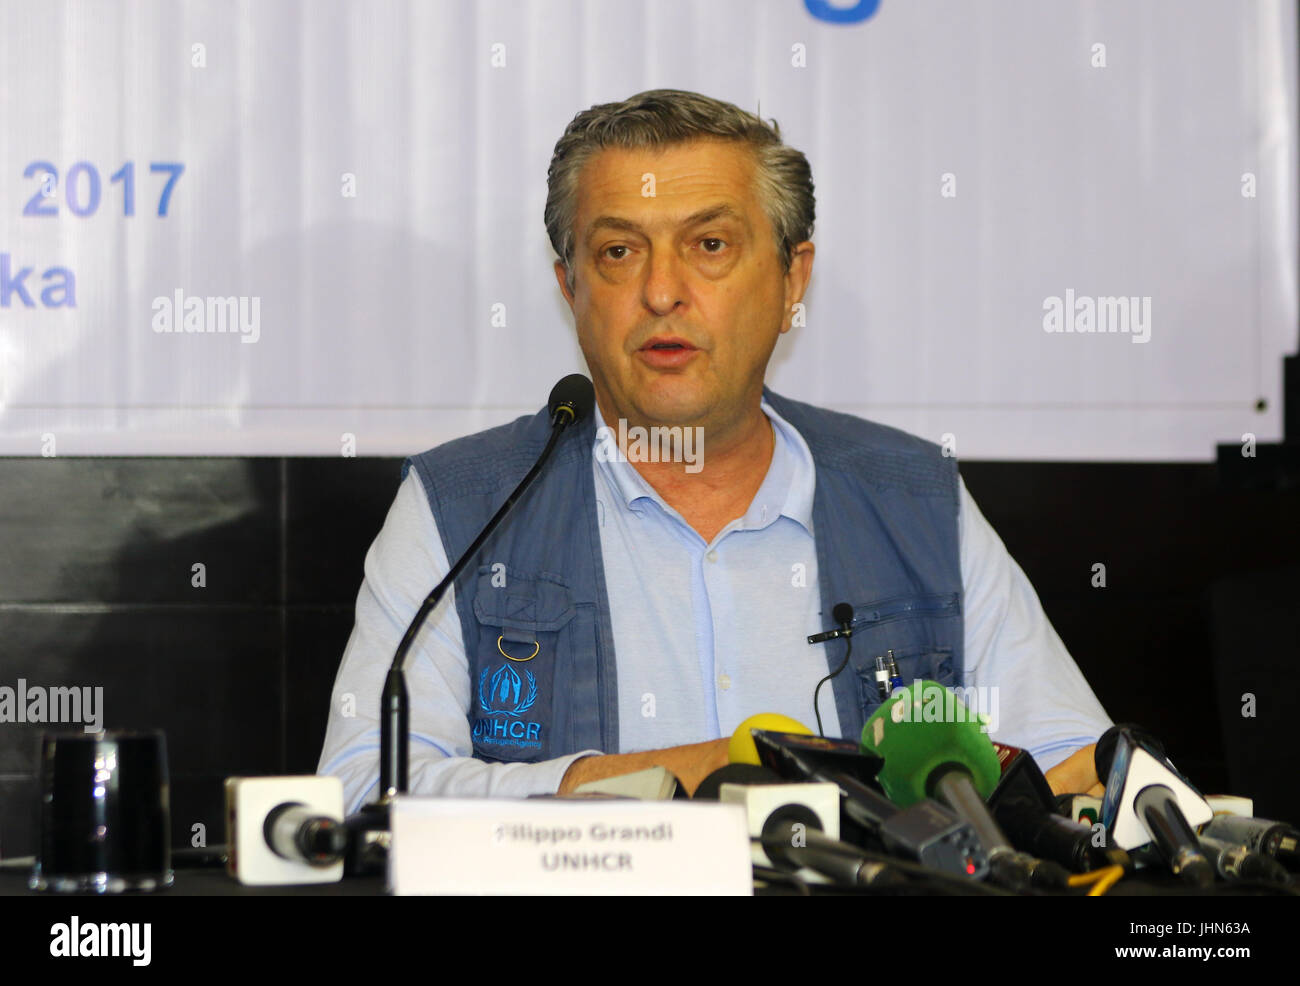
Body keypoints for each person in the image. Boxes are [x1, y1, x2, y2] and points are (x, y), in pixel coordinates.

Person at [318, 89, 1111, 813]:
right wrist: (668, 778)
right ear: (570, 289)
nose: (662, 292)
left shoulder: (913, 498)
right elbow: (361, 790)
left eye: (709, 245)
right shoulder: (465, 505)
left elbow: (1078, 770)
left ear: (792, 278)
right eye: (620, 252)